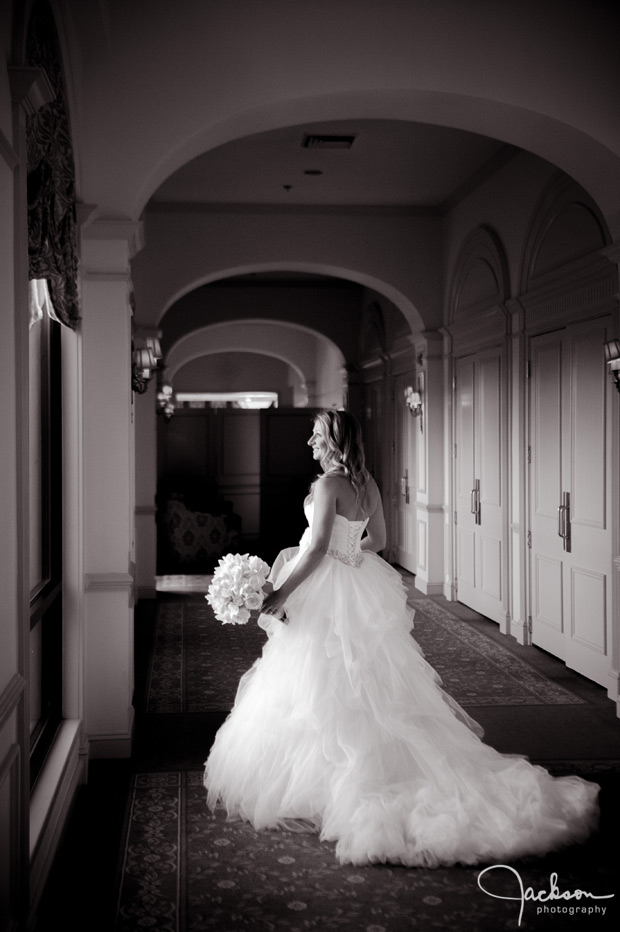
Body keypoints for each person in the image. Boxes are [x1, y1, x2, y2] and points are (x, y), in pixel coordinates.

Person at [204, 409, 599, 867]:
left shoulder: (327, 485)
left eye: (316, 437)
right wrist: (346, 553)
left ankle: (332, 784)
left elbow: (315, 548)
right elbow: (381, 540)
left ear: (334, 440)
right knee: (361, 675)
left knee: (316, 676)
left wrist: (283, 591)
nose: (309, 445)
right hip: (354, 580)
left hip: (323, 585)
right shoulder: (366, 484)